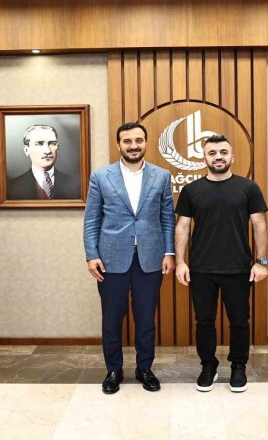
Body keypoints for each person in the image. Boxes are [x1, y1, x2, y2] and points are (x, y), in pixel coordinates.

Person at [83, 122, 176, 394]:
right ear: (119, 145)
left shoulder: (161, 176)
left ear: (145, 142)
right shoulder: (101, 176)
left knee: (146, 318)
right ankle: (114, 370)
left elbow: (167, 218)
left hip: (151, 258)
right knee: (112, 319)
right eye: (127, 141)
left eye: (138, 140)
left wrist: (169, 252)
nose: (133, 146)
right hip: (111, 259)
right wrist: (91, 255)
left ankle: (144, 368)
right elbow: (91, 219)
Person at [174, 134, 268, 393]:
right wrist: (181, 262)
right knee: (204, 322)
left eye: (223, 152)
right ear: (204, 158)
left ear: (232, 157)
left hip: (238, 269)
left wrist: (261, 262)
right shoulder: (191, 190)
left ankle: (238, 367)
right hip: (201, 269)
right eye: (212, 153)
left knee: (239, 321)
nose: (218, 157)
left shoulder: (248, 187)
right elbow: (182, 226)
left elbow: (259, 224)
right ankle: (208, 367)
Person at [7, 124, 81, 200]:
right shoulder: (11, 187)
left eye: (52, 143)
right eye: (39, 144)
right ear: (26, 150)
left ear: (58, 149)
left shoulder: (76, 185)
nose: (48, 151)